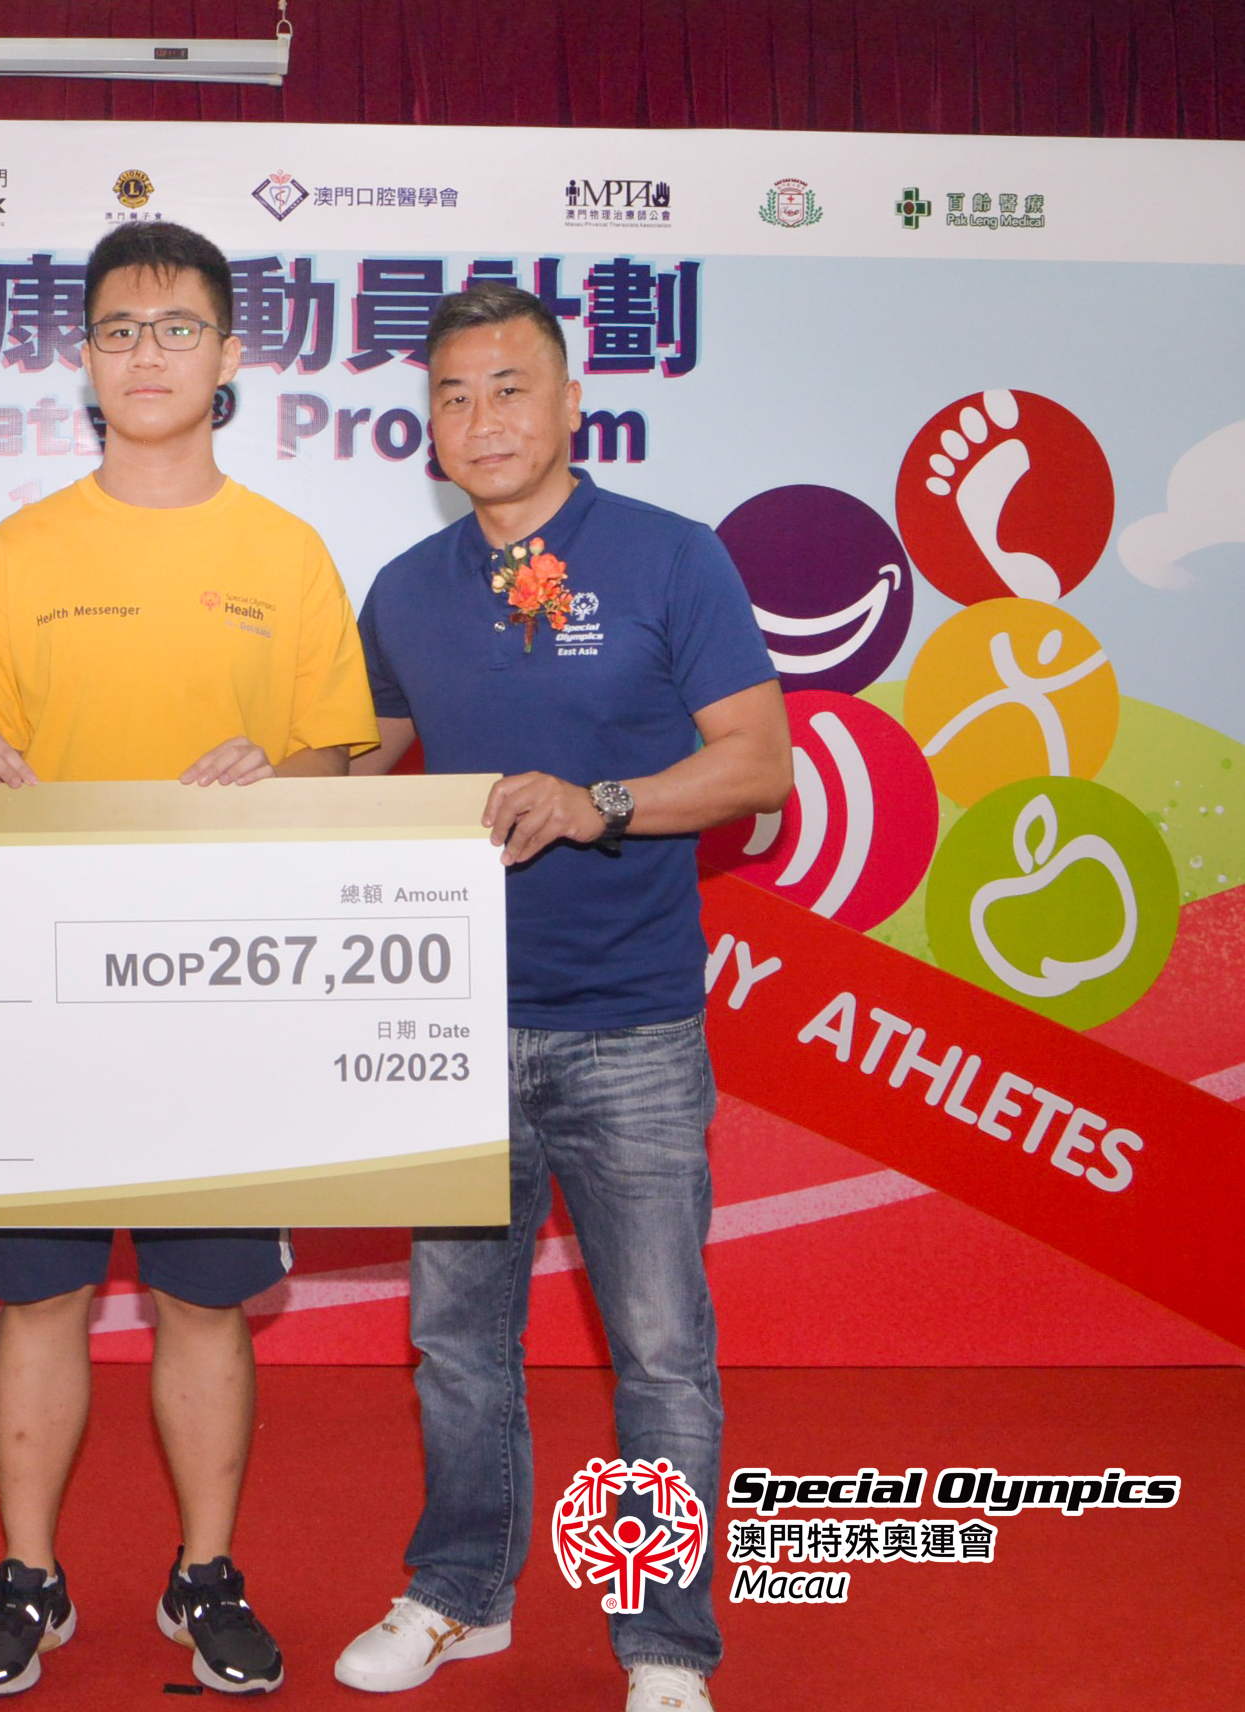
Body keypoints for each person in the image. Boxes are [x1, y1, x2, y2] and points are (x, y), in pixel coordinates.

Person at [331, 282, 790, 1712]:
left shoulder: (671, 556)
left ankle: (666, 1642)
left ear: (573, 403)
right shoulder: (406, 587)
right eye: (454, 394)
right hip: (452, 1027)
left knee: (661, 1354)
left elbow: (759, 765)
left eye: (510, 387)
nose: (482, 418)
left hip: (631, 1028)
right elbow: (355, 766)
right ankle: (461, 1594)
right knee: (456, 1344)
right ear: (429, 422)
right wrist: (237, 777)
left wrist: (603, 801)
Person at [0, 221, 378, 1697]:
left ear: (230, 353)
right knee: (40, 1295)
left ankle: (205, 1574)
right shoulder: (22, 550)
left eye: (178, 327)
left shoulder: (285, 550)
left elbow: (337, 759)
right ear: (83, 357)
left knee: (202, 1297)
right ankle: (30, 1576)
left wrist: (282, 770)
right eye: (120, 329)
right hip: (44, 985)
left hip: (226, 993)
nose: (148, 353)